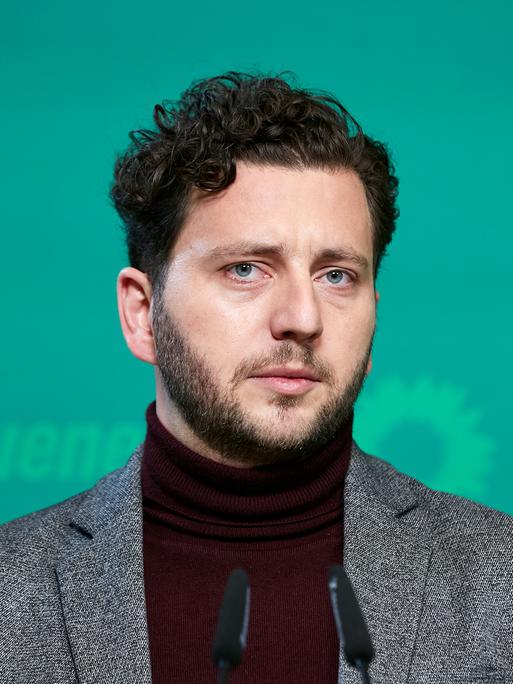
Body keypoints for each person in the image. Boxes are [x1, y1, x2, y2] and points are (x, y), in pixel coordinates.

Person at [0, 72, 511, 684]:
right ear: (143, 315)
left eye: (336, 276)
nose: (302, 318)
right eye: (246, 269)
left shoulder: (497, 578)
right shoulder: (13, 588)